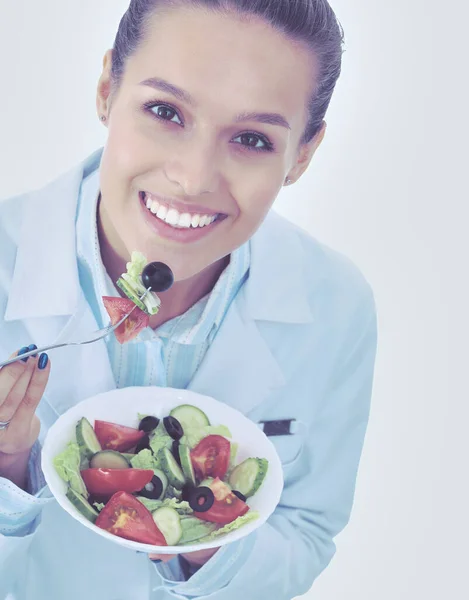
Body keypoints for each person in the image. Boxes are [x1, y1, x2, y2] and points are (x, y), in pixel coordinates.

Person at [0, 1, 377, 599]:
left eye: (252, 139)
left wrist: (205, 529)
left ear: (302, 154)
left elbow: (306, 532)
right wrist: (6, 469)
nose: (194, 177)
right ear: (106, 90)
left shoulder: (337, 306)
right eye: (164, 111)